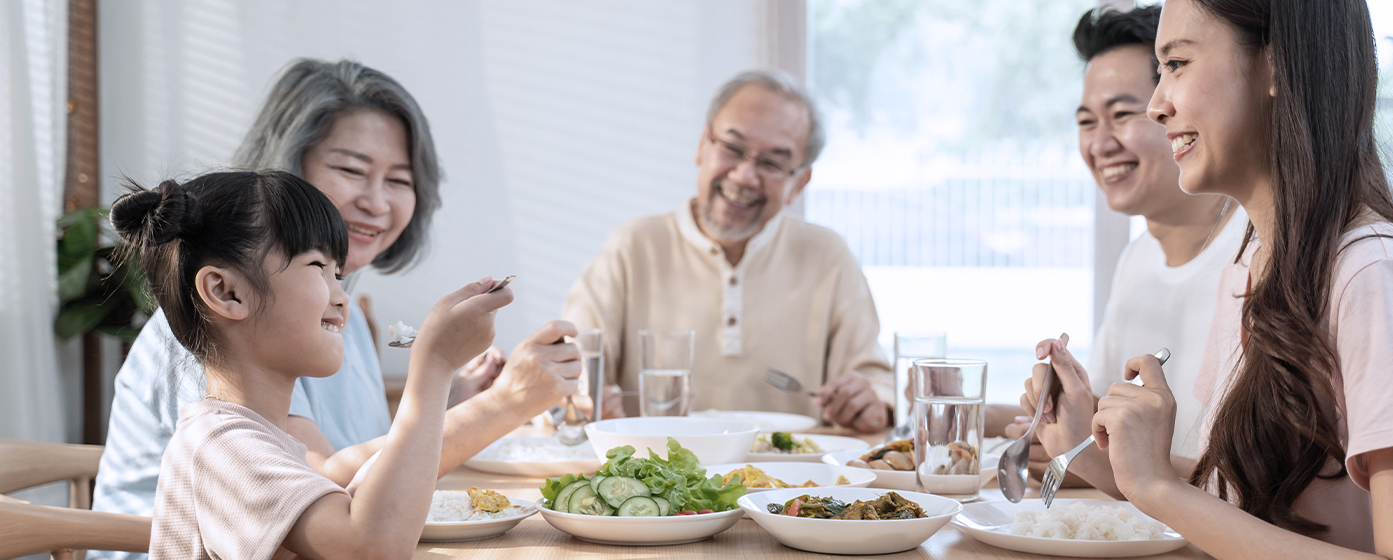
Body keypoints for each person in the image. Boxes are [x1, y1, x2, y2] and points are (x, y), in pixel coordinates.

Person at [1023, 0, 1393, 557]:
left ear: (1276, 65)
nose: (1157, 105)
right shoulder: (1256, 263)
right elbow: (1245, 503)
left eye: (1176, 64)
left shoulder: (1373, 275)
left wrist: (1157, 485)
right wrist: (1102, 460)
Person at [93, 59, 583, 555]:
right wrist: (465, 387)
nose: (376, 201)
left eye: (399, 180)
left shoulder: (328, 318)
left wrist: (453, 396)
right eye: (352, 170)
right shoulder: (214, 378)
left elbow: (353, 473)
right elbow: (342, 504)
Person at [110, 172, 541, 560]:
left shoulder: (262, 438)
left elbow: (359, 508)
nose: (341, 296)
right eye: (318, 267)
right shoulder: (221, 448)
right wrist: (435, 365)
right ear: (226, 292)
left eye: (338, 273)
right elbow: (371, 547)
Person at [562, 70, 893, 432]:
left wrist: (870, 401)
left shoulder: (827, 255)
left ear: (799, 183)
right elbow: (572, 366)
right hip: (657, 477)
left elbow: (875, 380)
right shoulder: (633, 245)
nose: (744, 176)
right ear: (702, 145)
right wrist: (583, 403)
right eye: (732, 149)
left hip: (790, 482)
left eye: (771, 163)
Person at [996, 5, 1248, 480]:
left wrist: (1095, 463)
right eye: (1087, 122)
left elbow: (1255, 492)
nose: (1100, 143)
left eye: (1121, 114)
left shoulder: (1256, 253)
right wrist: (1058, 425)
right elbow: (1101, 425)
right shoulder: (1138, 257)